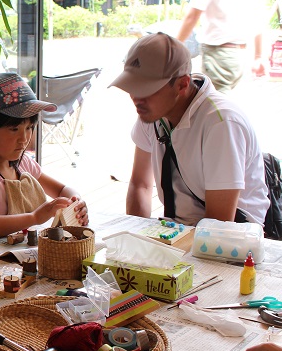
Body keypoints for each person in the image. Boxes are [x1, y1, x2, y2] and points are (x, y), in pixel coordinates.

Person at [110, 32, 269, 226]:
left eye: (147, 90)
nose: (136, 98)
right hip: (180, 228)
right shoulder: (151, 114)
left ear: (182, 84)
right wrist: (136, 238)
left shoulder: (221, 123)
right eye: (133, 87)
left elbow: (218, 223)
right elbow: (140, 185)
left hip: (232, 237)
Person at [0, 73, 88, 248]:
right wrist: (34, 218)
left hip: (14, 258)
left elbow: (61, 189)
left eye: (29, 127)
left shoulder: (23, 164)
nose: (24, 138)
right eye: (14, 128)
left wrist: (75, 201)